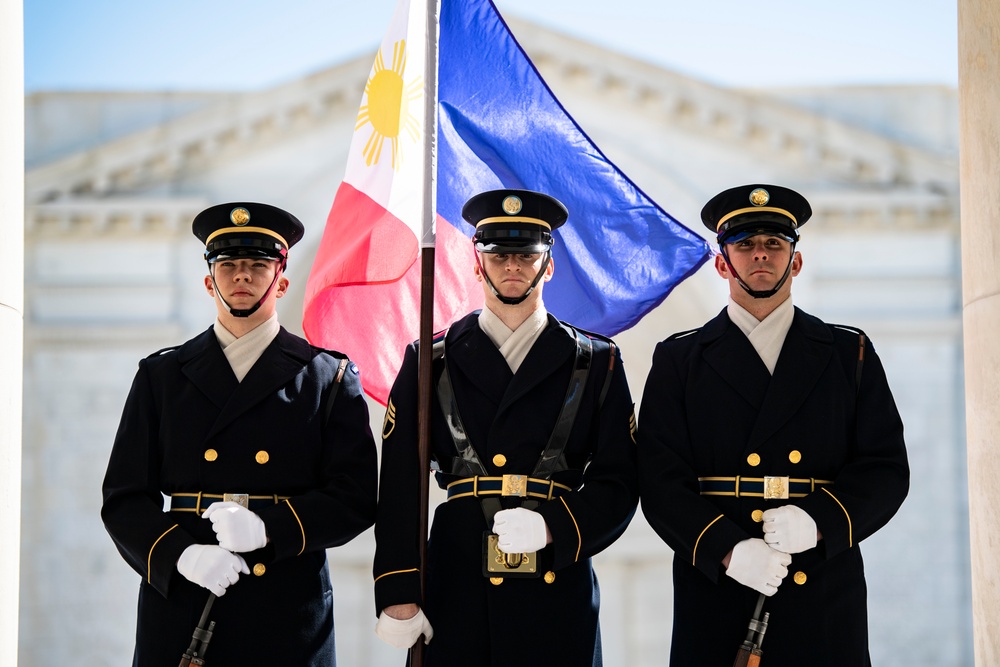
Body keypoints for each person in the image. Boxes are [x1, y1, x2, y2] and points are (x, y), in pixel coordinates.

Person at [637, 184, 910, 666]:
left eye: (774, 244)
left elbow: (885, 469)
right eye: (744, 244)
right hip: (719, 587)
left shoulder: (849, 354)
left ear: (795, 261)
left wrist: (819, 521)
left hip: (822, 587)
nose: (759, 255)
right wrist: (726, 549)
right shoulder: (679, 359)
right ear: (723, 263)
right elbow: (660, 480)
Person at [101, 202, 378, 666]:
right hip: (187, 602)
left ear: (281, 281)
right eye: (228, 265)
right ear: (209, 282)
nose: (242, 276)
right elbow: (124, 498)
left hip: (287, 608)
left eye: (257, 265)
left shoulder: (326, 377)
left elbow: (355, 498)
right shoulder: (162, 376)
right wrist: (182, 555)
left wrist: (269, 527)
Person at [372, 189, 639, 666]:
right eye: (498, 255)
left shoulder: (597, 361)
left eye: (526, 254)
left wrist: (556, 527)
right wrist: (397, 587)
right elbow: (399, 482)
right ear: (477, 266)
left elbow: (619, 481)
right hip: (457, 578)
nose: (512, 266)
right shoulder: (430, 359)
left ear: (548, 265)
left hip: (557, 580)